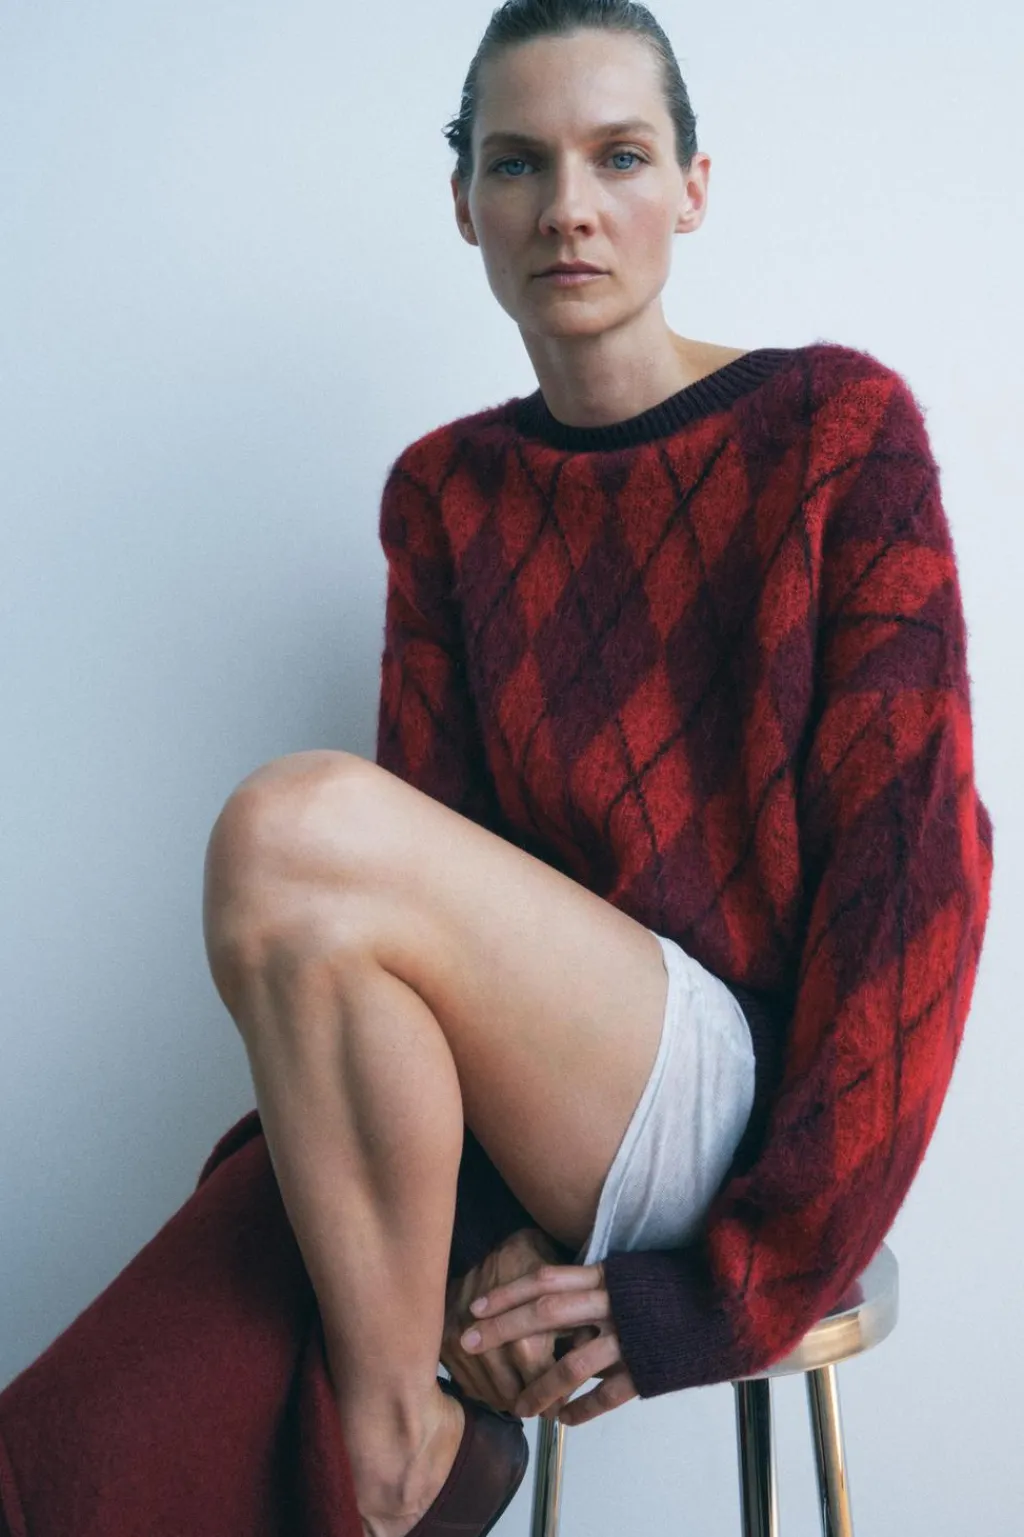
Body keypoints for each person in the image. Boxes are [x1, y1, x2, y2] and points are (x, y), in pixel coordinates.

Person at [0, 5, 994, 1537]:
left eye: (620, 157)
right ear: (465, 204)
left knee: (291, 834)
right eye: (519, 164)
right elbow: (415, 924)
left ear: (695, 188)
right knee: (75, 1443)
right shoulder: (447, 493)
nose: (568, 207)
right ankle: (396, 1451)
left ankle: (397, 1452)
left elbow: (913, 890)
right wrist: (472, 1245)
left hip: (749, 1111)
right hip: (534, 1111)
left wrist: (738, 1278)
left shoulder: (837, 433)